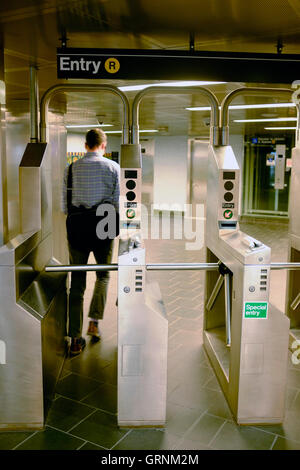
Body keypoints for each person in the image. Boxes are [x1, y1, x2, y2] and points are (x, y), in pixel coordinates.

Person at [62, 128, 120, 356]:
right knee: (103, 275)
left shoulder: (71, 168)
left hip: (77, 227)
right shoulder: (113, 168)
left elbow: (63, 204)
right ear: (103, 146)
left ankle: (75, 338)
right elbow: (116, 202)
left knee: (77, 280)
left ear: (85, 145)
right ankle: (94, 322)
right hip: (103, 226)